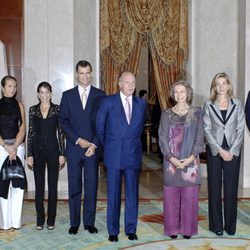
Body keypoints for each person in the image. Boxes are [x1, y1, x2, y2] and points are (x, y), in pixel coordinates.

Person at [96, 71, 146, 242]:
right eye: (127, 82)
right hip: (114, 154)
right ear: (120, 84)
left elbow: (138, 130)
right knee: (113, 194)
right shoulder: (108, 102)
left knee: (132, 194)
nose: (131, 85)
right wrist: (110, 146)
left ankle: (131, 229)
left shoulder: (141, 104)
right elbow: (100, 129)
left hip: (133, 155)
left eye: (133, 81)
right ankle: (113, 230)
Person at [59, 60, 105, 235]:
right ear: (76, 74)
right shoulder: (67, 95)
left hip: (92, 149)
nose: (85, 77)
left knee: (92, 185)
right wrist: (78, 139)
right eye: (81, 73)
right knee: (74, 186)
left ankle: (89, 222)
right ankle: (74, 222)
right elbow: (63, 121)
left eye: (87, 73)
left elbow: (102, 123)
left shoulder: (100, 95)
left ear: (91, 74)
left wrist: (93, 143)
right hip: (74, 148)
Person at [158, 80, 204, 239]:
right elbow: (162, 138)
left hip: (191, 161)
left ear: (188, 94)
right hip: (171, 162)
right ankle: (171, 229)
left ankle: (188, 229)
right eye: (176, 92)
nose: (179, 95)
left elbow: (200, 137)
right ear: (172, 94)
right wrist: (171, 158)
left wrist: (191, 157)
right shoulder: (166, 114)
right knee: (171, 197)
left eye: (182, 92)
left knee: (189, 197)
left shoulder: (196, 112)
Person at [203, 72, 244, 236]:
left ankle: (230, 226)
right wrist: (220, 150)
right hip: (214, 150)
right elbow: (206, 129)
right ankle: (216, 226)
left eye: (224, 83)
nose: (221, 86)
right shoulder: (208, 105)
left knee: (231, 189)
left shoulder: (237, 104)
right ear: (214, 86)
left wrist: (231, 151)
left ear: (228, 86)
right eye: (218, 83)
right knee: (214, 188)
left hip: (233, 151)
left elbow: (240, 129)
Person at [26, 81, 65, 230]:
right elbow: (30, 133)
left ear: (51, 94)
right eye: (42, 92)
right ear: (38, 94)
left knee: (53, 186)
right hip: (37, 152)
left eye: (47, 92)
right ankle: (40, 219)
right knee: (39, 186)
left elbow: (61, 133)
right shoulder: (32, 110)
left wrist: (62, 153)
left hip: (53, 151)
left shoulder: (57, 109)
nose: (45, 95)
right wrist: (29, 154)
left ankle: (51, 220)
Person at [0, 75, 26, 230]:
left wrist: (15, 147)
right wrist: (6, 147)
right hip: (1, 149)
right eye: (9, 86)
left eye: (15, 86)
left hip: (18, 148)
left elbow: (22, 127)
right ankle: (5, 223)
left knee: (17, 186)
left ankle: (16, 222)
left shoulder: (19, 105)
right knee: (3, 184)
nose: (13, 89)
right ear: (2, 88)